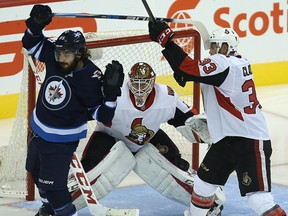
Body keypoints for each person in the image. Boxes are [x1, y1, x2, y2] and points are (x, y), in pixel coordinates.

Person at [148, 21, 287, 216]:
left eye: (215, 46)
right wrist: (188, 73)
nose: (211, 50)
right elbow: (199, 74)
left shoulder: (225, 62)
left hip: (249, 140)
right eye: (211, 45)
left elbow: (190, 68)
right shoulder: (236, 63)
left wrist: (167, 42)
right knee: (203, 185)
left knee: (258, 199)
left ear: (226, 47)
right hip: (226, 140)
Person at [69, 62, 224, 216]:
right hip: (110, 136)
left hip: (149, 138)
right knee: (88, 175)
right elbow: (85, 111)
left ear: (153, 82)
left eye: (144, 84)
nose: (139, 89)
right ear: (129, 81)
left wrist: (207, 130)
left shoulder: (166, 96)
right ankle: (61, 205)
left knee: (179, 170)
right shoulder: (115, 93)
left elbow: (188, 119)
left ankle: (206, 203)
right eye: (135, 83)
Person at [22, 4, 124, 216]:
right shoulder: (54, 56)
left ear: (80, 54)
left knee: (56, 189)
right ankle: (47, 210)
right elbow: (30, 43)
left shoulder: (91, 79)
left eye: (66, 55)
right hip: (39, 130)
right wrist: (35, 25)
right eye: (59, 54)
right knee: (35, 171)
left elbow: (104, 117)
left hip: (61, 141)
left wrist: (111, 94)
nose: (61, 59)